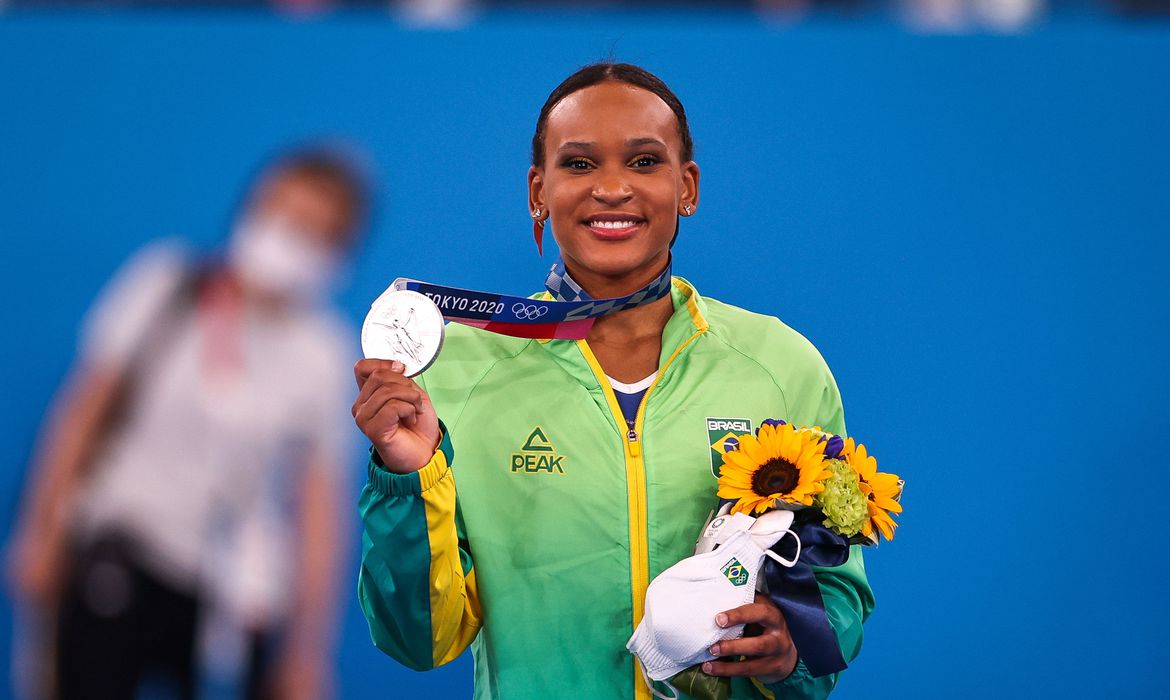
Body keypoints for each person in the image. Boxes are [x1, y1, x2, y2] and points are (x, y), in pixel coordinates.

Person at [353, 63, 874, 699]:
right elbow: (420, 641)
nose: (612, 189)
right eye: (578, 165)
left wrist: (793, 645)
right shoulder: (459, 373)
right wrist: (406, 480)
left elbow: (836, 596)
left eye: (645, 162)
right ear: (537, 191)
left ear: (688, 187)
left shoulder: (782, 367)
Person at [7, 147, 368, 700]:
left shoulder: (323, 353)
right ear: (251, 209)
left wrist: (306, 651)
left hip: (235, 591)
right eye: (282, 216)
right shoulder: (167, 284)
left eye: (314, 231)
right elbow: (83, 410)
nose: (289, 239)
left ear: (337, 253)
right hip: (122, 551)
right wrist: (41, 531)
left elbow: (320, 508)